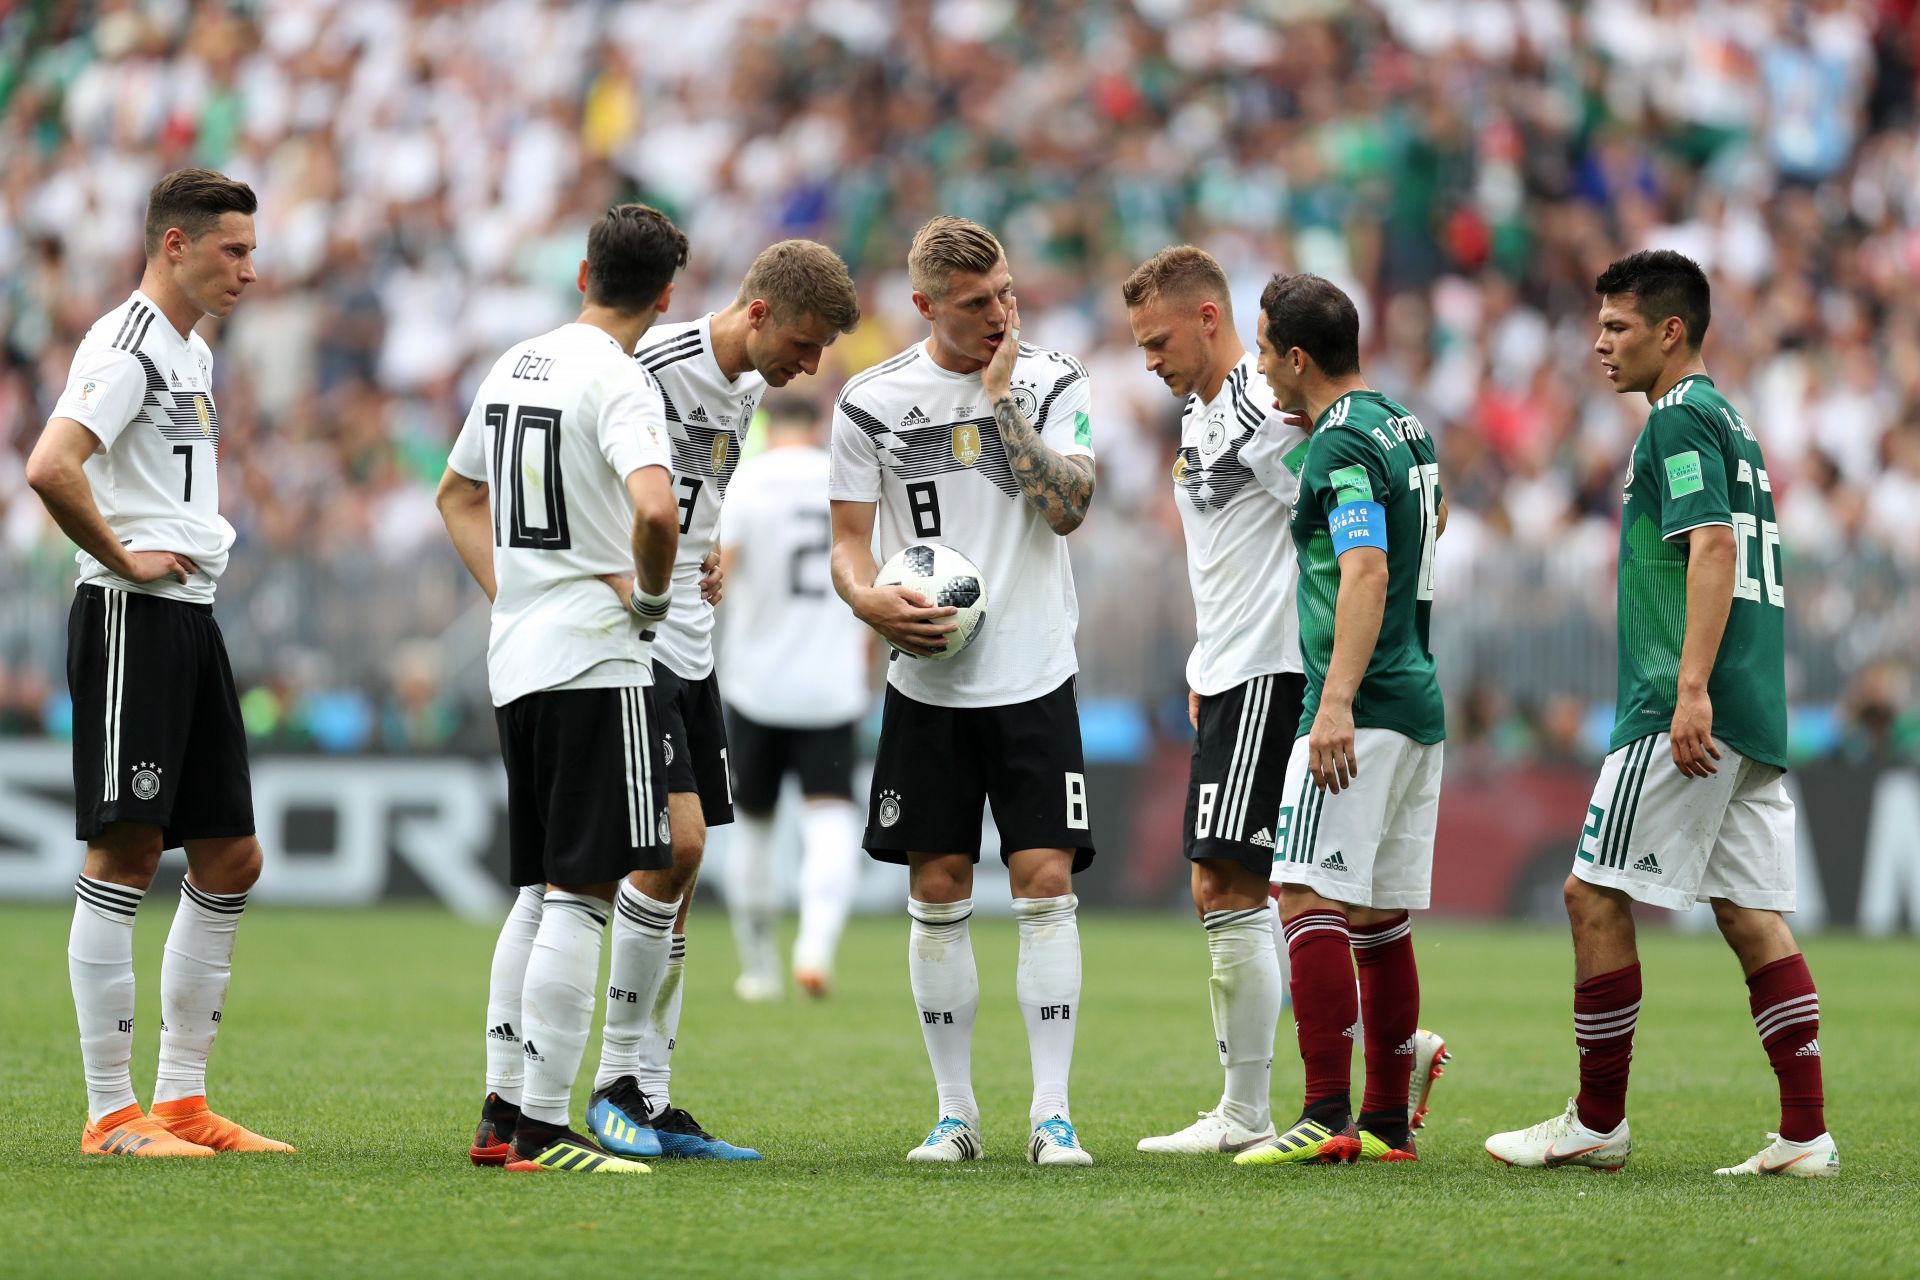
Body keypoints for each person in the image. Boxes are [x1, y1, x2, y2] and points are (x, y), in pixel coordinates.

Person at [1485, 250, 1839, 1179]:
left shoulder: (1678, 419)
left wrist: (1688, 688)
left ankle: (1597, 1121)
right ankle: (1806, 1135)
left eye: (1617, 327)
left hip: (1683, 704)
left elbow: (1712, 547)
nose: (1598, 343)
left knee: (1591, 891)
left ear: (1669, 331)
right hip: (1756, 708)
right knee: (1753, 914)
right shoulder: (1733, 421)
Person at [26, 167, 293, 1158]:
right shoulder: (129, 343)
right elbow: (51, 464)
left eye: (252, 250)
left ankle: (181, 1101)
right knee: (127, 852)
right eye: (233, 249)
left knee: (231, 855)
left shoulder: (193, 348)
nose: (250, 270)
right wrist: (122, 556)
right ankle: (109, 1113)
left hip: (190, 612)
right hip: (133, 613)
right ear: (173, 245)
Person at [583, 240, 860, 1162]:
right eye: (806, 344)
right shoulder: (650, 366)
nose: (808, 368)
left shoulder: (741, 395)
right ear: (758, 312)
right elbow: (601, 477)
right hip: (636, 640)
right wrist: (634, 571)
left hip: (698, 650)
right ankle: (613, 1081)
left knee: (688, 868)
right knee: (672, 846)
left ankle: (654, 1095)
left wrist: (703, 552)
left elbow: (692, 505)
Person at [828, 215, 1097, 1166]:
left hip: (1032, 670)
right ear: (926, 304)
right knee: (936, 886)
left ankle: (1052, 1114)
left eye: (1007, 293)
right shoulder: (870, 401)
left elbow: (1070, 507)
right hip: (929, 677)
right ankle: (955, 1115)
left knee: (1046, 881)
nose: (1000, 313)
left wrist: (1001, 404)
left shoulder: (1054, 377)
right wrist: (869, 605)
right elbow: (850, 539)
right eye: (977, 302)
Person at [441, 203, 685, 1174]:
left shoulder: (514, 362)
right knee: (584, 892)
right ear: (665, 297)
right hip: (594, 657)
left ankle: (503, 1113)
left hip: (521, 654)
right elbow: (657, 510)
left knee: (541, 889)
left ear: (583, 274)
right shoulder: (622, 381)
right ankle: (544, 1123)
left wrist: (518, 592)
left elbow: (456, 496)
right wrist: (652, 601)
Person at [1235, 273, 1446, 1169]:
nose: (1257, 367)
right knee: (1382, 918)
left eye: (1261, 348)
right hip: (1419, 700)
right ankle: (1389, 1123)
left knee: (1305, 893)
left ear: (1295, 356)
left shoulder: (1341, 447)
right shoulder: (1402, 425)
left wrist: (1333, 703)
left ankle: (1324, 1113)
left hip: (1362, 704)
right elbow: (1430, 525)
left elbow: (1363, 568)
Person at [717, 398, 873, 1001]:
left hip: (755, 684)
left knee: (753, 825)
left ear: (767, 426)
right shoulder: (843, 479)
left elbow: (718, 574)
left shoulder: (748, 480)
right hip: (831, 685)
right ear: (815, 426)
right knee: (831, 814)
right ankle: (816, 945)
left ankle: (759, 967)